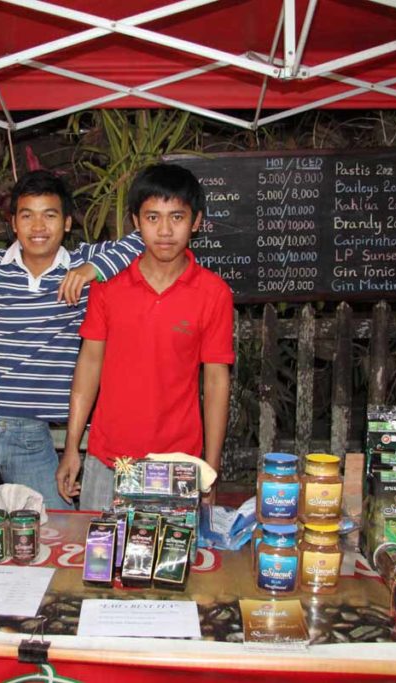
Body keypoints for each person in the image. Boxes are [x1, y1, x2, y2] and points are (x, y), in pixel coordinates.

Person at [0, 170, 142, 509]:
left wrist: (89, 271)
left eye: (49, 215)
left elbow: (145, 239)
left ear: (66, 223)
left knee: (55, 530)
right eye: (27, 216)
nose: (38, 227)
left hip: (30, 435)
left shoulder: (79, 265)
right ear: (14, 223)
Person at [56, 163, 234, 511]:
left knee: (169, 565)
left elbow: (216, 380)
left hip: (177, 464)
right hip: (108, 461)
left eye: (177, 217)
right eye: (152, 217)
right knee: (101, 563)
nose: (165, 230)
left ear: (196, 222)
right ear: (136, 222)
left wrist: (211, 465)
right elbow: (89, 363)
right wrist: (72, 449)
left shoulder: (213, 293)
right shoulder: (108, 286)